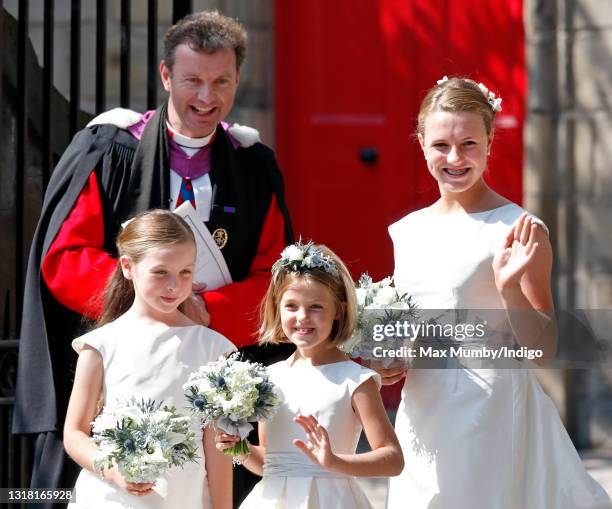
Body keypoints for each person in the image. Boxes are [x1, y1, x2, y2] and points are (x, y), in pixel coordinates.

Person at [13, 10, 293, 503]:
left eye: (221, 82)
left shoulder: (254, 165)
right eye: (193, 81)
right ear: (166, 76)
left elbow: (273, 277)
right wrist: (153, 303)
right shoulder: (108, 150)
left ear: (237, 80)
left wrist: (205, 311)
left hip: (210, 354)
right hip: (119, 360)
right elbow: (64, 258)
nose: (207, 98)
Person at [383, 76, 611, 508]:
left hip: (487, 410)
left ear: (490, 140)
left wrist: (509, 289)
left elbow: (544, 349)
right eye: (440, 145)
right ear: (420, 142)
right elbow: (415, 331)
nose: (454, 158)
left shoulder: (519, 228)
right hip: (421, 410)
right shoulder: (406, 232)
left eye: (469, 143)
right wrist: (390, 360)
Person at [63, 209, 234, 508]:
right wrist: (112, 470)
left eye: (186, 272)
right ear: (128, 267)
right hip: (111, 497)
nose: (174, 285)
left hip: (183, 498)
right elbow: (74, 433)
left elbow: (217, 445)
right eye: (160, 272)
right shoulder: (101, 344)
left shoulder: (213, 348)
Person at [216, 241, 404, 508]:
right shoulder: (269, 377)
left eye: (316, 307)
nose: (303, 317)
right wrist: (239, 449)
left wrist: (334, 462)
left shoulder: (355, 380)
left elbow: (393, 459)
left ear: (339, 310)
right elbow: (271, 463)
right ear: (277, 307)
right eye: (291, 306)